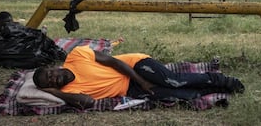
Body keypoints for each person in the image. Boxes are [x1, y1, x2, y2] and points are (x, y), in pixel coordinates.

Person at [33, 45, 244, 110]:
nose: (53, 79)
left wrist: (142, 80)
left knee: (173, 80)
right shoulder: (67, 92)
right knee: (181, 95)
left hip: (135, 66)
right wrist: (55, 93)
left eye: (50, 74)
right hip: (130, 90)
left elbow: (114, 62)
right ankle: (216, 92)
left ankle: (222, 81)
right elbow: (88, 102)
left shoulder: (76, 56)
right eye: (49, 83)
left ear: (54, 67)